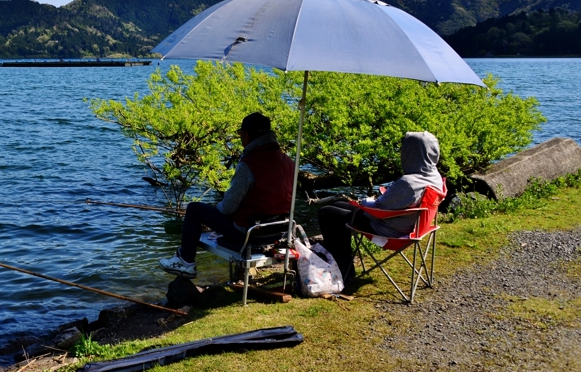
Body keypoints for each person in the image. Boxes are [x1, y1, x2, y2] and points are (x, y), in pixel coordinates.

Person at [159, 112, 295, 279]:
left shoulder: (249, 165)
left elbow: (228, 207)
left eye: (240, 134)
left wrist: (217, 208)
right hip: (278, 232)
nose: (240, 138)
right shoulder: (288, 161)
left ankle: (186, 261)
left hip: (248, 234)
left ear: (248, 134)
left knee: (194, 209)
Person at [318, 131, 444, 286]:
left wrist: (365, 201)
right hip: (410, 226)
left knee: (326, 213)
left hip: (386, 228)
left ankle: (343, 270)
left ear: (411, 152)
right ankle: (345, 267)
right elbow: (393, 202)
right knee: (338, 207)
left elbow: (379, 208)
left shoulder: (409, 183)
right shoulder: (434, 177)